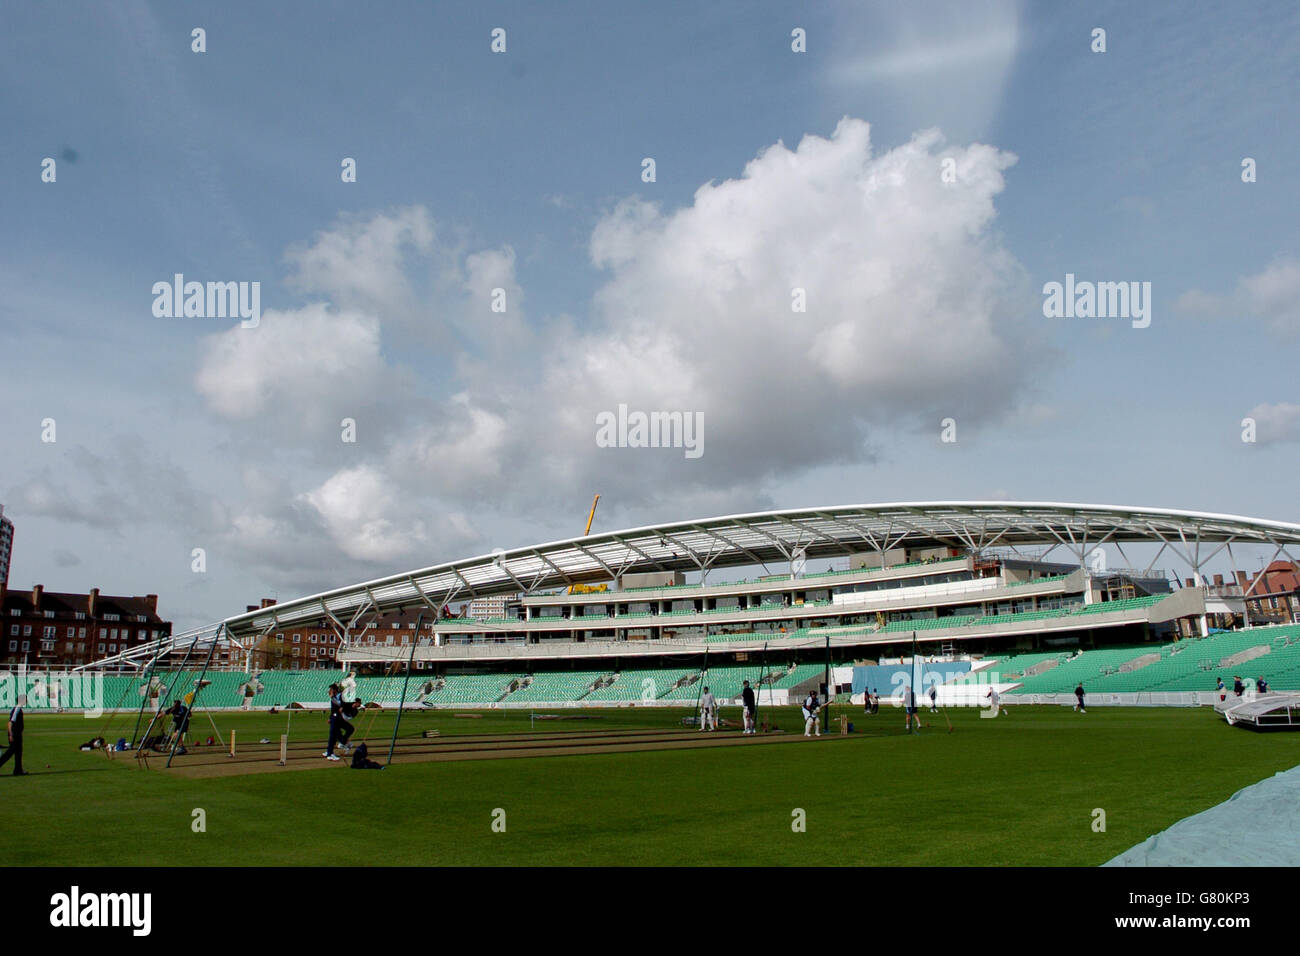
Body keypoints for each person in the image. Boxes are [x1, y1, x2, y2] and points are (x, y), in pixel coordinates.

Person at [0, 695, 26, 776]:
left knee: (18, 752)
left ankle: (18, 770)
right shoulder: (17, 709)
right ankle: (18, 770)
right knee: (10, 752)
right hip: (15, 734)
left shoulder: (18, 708)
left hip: (17, 734)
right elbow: (10, 722)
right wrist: (11, 734)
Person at [323, 683, 346, 760]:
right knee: (333, 736)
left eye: (331, 689)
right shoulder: (334, 697)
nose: (330, 690)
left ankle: (330, 752)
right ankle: (330, 752)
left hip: (337, 718)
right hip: (334, 717)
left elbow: (340, 704)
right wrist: (330, 717)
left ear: (335, 690)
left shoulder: (339, 696)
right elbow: (333, 709)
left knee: (334, 736)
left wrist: (333, 697)